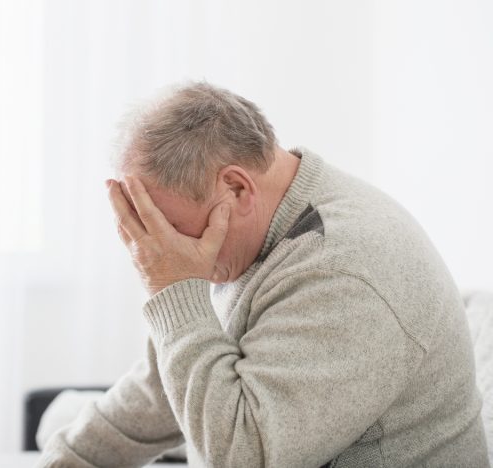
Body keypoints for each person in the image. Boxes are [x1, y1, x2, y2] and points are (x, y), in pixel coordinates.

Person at [36, 82, 489, 467]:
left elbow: (243, 456)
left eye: (168, 227)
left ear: (236, 187)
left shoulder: (342, 267)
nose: (158, 250)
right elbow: (167, 386)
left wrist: (171, 289)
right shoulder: (254, 233)